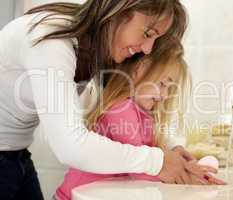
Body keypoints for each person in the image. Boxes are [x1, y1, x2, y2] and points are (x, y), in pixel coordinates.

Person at [0, 1, 220, 199]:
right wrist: (160, 161)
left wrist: (172, 150)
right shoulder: (52, 40)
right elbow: (70, 146)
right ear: (119, 11)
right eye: (148, 33)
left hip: (16, 157)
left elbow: (123, 100)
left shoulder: (96, 46)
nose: (148, 49)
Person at [55, 40, 224, 200]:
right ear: (139, 70)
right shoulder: (121, 110)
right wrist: (187, 176)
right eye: (163, 84)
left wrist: (179, 159)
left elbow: (154, 157)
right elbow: (143, 170)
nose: (164, 96)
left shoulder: (142, 114)